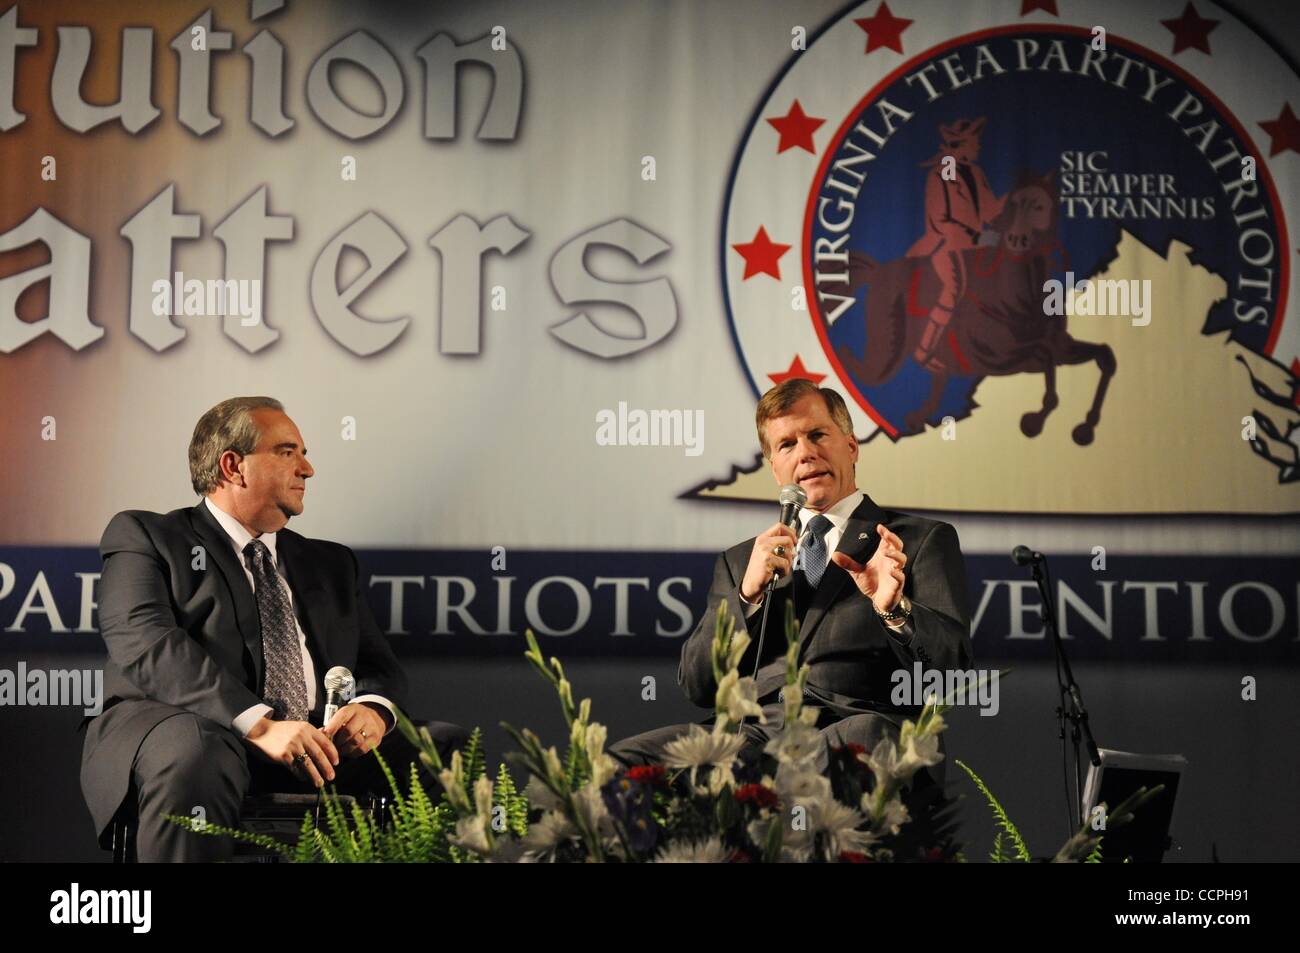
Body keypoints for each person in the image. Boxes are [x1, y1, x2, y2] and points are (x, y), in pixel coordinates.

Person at [79, 396, 468, 861]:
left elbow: (376, 666)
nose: (308, 469)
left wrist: (372, 711)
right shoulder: (148, 537)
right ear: (233, 466)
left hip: (318, 746)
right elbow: (146, 643)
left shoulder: (329, 562)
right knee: (198, 752)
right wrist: (259, 725)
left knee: (448, 749)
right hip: (194, 734)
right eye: (288, 452)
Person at [610, 379, 972, 781]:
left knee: (863, 739)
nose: (806, 453)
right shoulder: (742, 562)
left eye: (817, 434)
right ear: (775, 468)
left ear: (851, 447)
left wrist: (894, 611)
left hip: (852, 731)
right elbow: (698, 687)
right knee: (623, 763)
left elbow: (949, 673)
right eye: (786, 445)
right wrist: (747, 597)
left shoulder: (915, 541)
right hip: (751, 742)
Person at [907, 116, 1004, 370]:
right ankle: (924, 350)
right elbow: (941, 222)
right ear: (962, 143)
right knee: (954, 288)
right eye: (975, 141)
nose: (979, 146)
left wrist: (1015, 199)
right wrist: (977, 237)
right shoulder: (939, 175)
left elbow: (989, 211)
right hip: (943, 246)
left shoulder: (976, 172)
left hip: (975, 246)